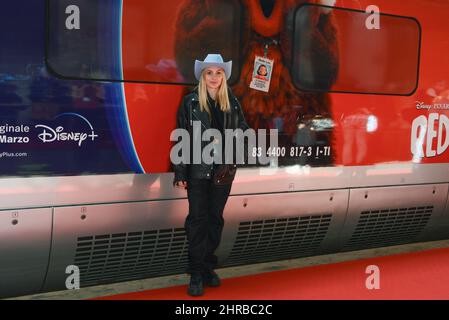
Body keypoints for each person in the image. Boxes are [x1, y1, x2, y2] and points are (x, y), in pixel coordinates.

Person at [172, 54, 249, 296]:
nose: (214, 77)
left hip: (223, 171)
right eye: (209, 73)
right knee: (197, 220)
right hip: (197, 171)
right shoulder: (191, 102)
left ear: (223, 77)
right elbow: (181, 136)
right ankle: (196, 273)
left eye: (218, 72)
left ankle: (207, 267)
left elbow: (243, 130)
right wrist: (180, 172)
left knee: (215, 219)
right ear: (203, 77)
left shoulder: (232, 102)